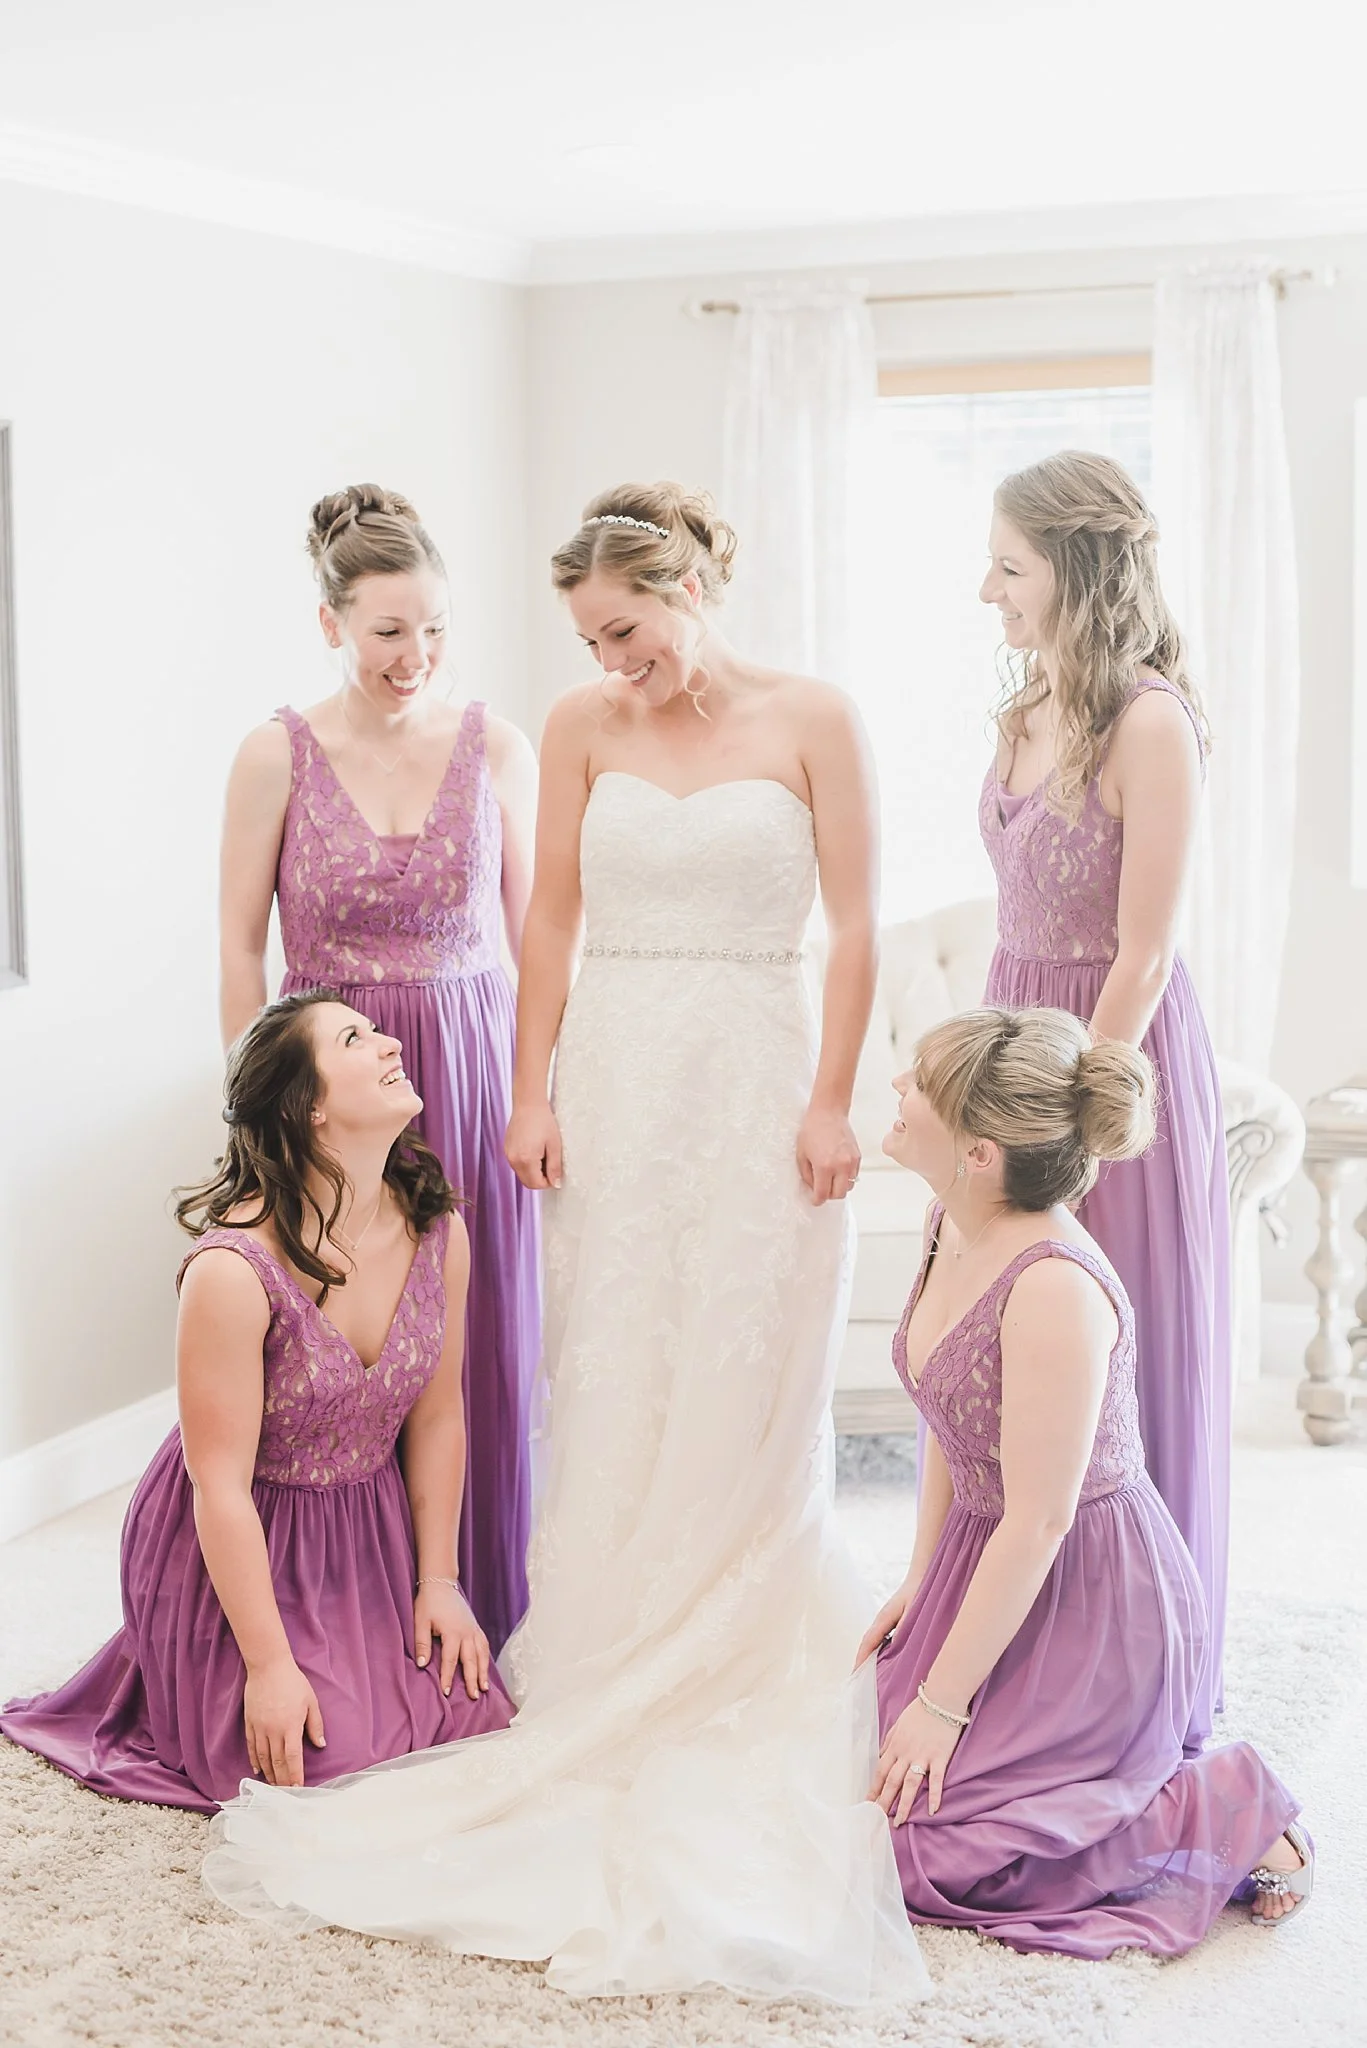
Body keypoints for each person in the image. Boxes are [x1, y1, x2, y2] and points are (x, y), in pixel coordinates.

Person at [196, 482, 928, 2007]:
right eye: (589, 640)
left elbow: (857, 927)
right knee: (608, 1357)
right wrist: (528, 1089)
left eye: (625, 628)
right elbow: (544, 926)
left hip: (756, 1062)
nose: (610, 660)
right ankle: (601, 1634)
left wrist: (831, 1099)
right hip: (613, 1073)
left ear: (687, 590)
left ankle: (733, 1629)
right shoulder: (582, 726)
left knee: (750, 1353)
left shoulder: (816, 717)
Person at [860, 1006, 1311, 1953]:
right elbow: (948, 1412)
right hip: (989, 1565)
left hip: (1090, 1607)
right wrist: (919, 1577)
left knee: (919, 1858)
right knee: (854, 1792)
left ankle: (1226, 1805)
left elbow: (1039, 1521)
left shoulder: (1053, 1286)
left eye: (920, 1083)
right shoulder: (951, 1220)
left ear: (979, 1152)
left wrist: (942, 1705)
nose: (897, 1086)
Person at [0, 993, 514, 1810]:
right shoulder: (232, 1271)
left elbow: (438, 1414)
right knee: (326, 1770)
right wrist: (270, 1667)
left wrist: (440, 1582)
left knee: (472, 1718)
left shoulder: (435, 1229)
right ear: (309, 1107)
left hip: (368, 1537)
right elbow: (219, 1487)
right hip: (241, 1545)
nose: (389, 1043)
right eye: (355, 1038)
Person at [219, 485, 539, 1654]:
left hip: (471, 1070)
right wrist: (257, 1120)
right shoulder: (275, 754)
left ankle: (476, 1598)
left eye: (436, 628)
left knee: (473, 1345)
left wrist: (542, 1093)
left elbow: (539, 939)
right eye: (389, 630)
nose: (416, 655)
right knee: (337, 1351)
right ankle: (340, 1619)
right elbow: (236, 949)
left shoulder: (497, 747)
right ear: (331, 623)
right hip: (334, 1088)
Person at [977, 450, 1230, 1749]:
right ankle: (1015, 1646)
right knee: (1003, 1355)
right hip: (1013, 1034)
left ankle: (1141, 1669)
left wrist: (1067, 1118)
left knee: (1111, 1362)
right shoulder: (1022, 704)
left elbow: (1143, 951)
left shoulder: (1148, 722)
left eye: (1007, 568)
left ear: (1073, 573)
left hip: (1103, 1069)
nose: (985, 591)